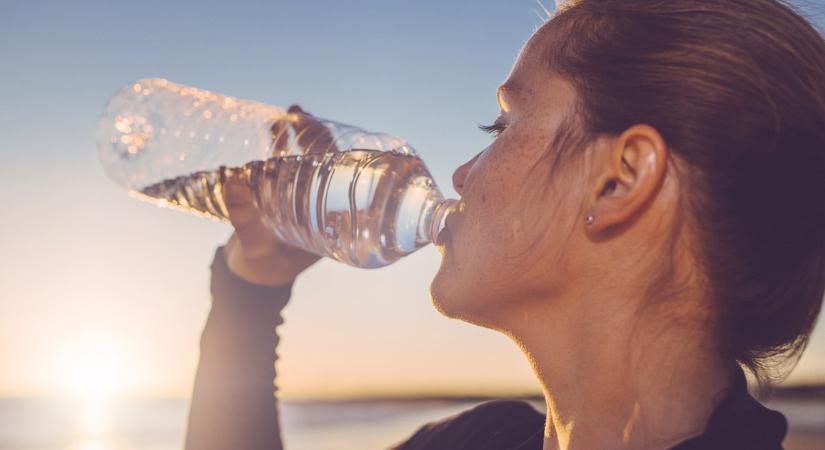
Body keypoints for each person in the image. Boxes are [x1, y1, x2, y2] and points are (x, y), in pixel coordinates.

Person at [183, 0, 825, 449]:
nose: (461, 173)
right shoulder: (476, 442)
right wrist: (251, 290)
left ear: (621, 178)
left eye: (504, 125)